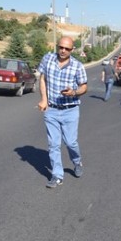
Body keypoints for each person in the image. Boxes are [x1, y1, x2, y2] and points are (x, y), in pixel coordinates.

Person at [37, 36, 88, 188]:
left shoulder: (77, 66)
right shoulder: (48, 59)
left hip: (70, 110)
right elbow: (42, 79)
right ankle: (57, 175)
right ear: (57, 46)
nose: (63, 51)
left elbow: (84, 87)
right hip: (51, 109)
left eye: (67, 49)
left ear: (72, 50)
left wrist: (74, 92)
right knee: (53, 145)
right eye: (61, 47)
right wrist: (44, 99)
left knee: (71, 142)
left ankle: (77, 162)